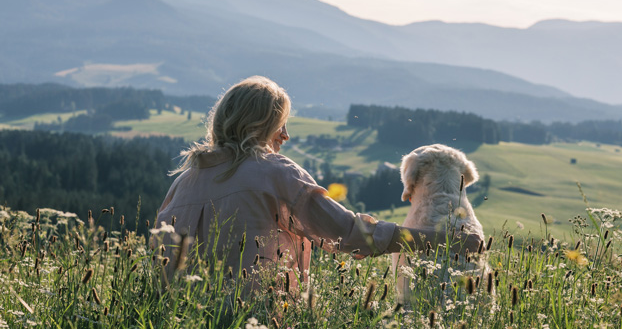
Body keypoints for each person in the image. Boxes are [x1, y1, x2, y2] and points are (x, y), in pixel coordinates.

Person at [152, 76, 482, 290]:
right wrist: (443, 241)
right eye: (280, 126)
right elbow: (346, 232)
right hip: (251, 317)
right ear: (259, 126)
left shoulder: (183, 182)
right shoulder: (273, 171)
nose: (286, 136)